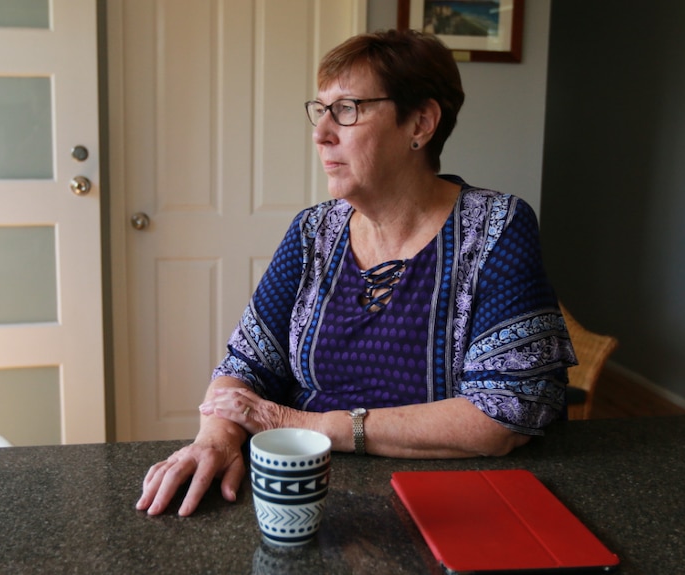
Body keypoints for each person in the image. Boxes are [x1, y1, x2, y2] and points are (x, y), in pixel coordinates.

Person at [136, 29, 576, 517]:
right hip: (302, 491)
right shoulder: (312, 231)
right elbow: (245, 365)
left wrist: (308, 425)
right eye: (320, 111)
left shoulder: (496, 227)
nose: (321, 133)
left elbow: (503, 413)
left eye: (347, 109)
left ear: (421, 123)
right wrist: (215, 441)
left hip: (448, 503)